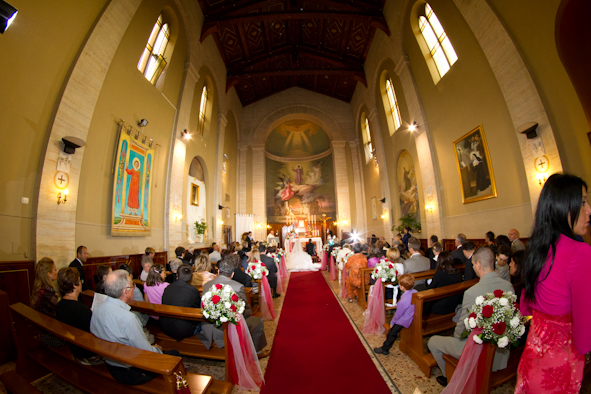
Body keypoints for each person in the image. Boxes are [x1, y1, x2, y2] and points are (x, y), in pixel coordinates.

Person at [515, 174, 591, 393]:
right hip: (560, 363)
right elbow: (584, 339)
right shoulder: (581, 253)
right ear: (562, 206)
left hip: (532, 353)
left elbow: (525, 307)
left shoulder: (536, 249)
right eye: (583, 201)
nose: (589, 210)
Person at [427, 247, 514, 387]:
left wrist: (455, 339)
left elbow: (461, 329)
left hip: (477, 350)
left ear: (478, 264)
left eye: (473, 264)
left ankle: (449, 377)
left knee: (433, 342)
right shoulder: (508, 286)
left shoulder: (472, 292)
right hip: (500, 351)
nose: (473, 267)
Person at [90, 269, 179, 385]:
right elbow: (146, 353)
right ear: (126, 292)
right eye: (133, 285)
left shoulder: (97, 308)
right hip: (129, 371)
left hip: (110, 362)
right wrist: (157, 349)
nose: (134, 288)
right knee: (175, 355)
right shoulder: (128, 318)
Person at [197, 259, 270, 357]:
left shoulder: (207, 285)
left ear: (218, 271)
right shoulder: (238, 286)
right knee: (258, 321)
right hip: (230, 326)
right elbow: (245, 309)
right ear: (232, 274)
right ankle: (258, 352)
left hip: (210, 325)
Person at [56, 267, 103, 365]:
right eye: (80, 281)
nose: (81, 283)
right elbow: (97, 332)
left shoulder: (59, 305)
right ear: (74, 285)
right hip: (88, 353)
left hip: (74, 348)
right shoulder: (82, 309)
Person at [373, 274, 417, 355]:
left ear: (402, 287)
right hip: (413, 315)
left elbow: (398, 315)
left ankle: (385, 349)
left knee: (392, 333)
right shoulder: (415, 292)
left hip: (405, 319)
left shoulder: (402, 301)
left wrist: (392, 323)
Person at [160, 265, 202, 341]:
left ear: (177, 275)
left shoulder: (168, 288)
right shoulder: (192, 290)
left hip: (166, 327)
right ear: (191, 277)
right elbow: (198, 308)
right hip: (184, 330)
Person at [424, 251, 462, 315]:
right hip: (453, 304)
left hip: (441, 307)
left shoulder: (440, 273)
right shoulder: (458, 272)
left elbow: (430, 288)